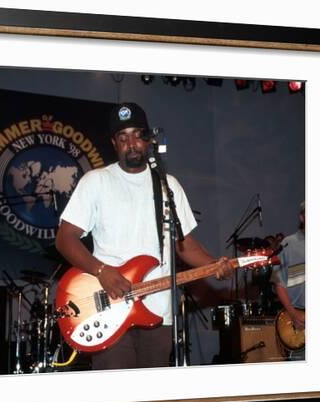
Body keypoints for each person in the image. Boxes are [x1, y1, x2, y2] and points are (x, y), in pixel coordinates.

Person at [55, 102, 233, 370]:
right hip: (109, 307)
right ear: (114, 143)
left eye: (137, 135)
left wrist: (214, 265)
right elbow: (65, 238)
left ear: (148, 139)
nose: (131, 144)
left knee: (152, 399)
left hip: (158, 312)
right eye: (123, 137)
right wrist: (102, 271)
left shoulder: (168, 185)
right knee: (118, 399)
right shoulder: (96, 182)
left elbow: (185, 246)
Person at [272, 201, 305, 360]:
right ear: (302, 217)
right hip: (298, 322)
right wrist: (293, 314)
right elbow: (278, 283)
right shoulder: (287, 245)